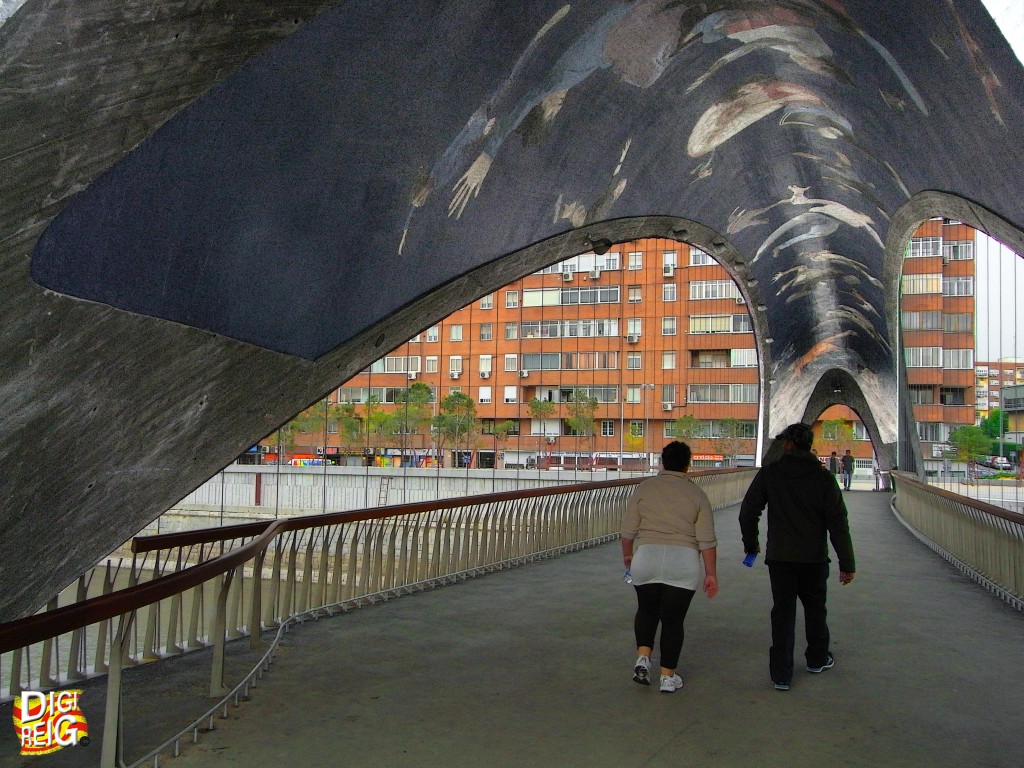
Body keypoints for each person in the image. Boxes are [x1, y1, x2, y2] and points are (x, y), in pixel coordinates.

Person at [739, 423, 856, 692]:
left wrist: (751, 544)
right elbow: (838, 523)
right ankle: (816, 659)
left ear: (789, 443)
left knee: (782, 613)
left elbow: (748, 512)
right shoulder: (823, 477)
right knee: (816, 609)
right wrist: (847, 564)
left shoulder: (771, 474)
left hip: (780, 558)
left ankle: (781, 674)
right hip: (814, 559)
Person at [621, 441, 718, 693]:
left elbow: (628, 531)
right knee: (673, 620)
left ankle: (643, 659)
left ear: (663, 462)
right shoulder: (697, 494)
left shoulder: (645, 488)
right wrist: (711, 574)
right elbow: (707, 540)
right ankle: (667, 677)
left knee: (647, 609)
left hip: (647, 556)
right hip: (683, 561)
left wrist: (629, 557)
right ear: (688, 464)